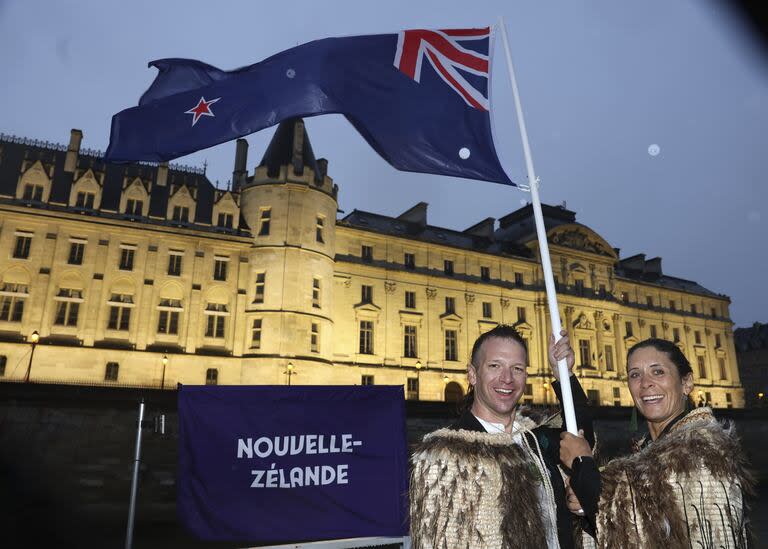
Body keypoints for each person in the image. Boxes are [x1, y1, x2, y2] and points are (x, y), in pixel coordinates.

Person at [409, 325, 594, 549]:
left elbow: (581, 442)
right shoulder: (445, 455)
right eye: (495, 366)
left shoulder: (534, 438)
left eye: (517, 368)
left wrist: (563, 373)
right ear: (473, 375)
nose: (507, 378)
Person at [559, 338, 752, 549]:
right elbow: (625, 517)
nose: (645, 383)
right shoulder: (647, 450)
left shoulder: (705, 454)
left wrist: (582, 466)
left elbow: (635, 532)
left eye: (658, 371)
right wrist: (563, 376)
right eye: (635, 374)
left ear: (686, 383)